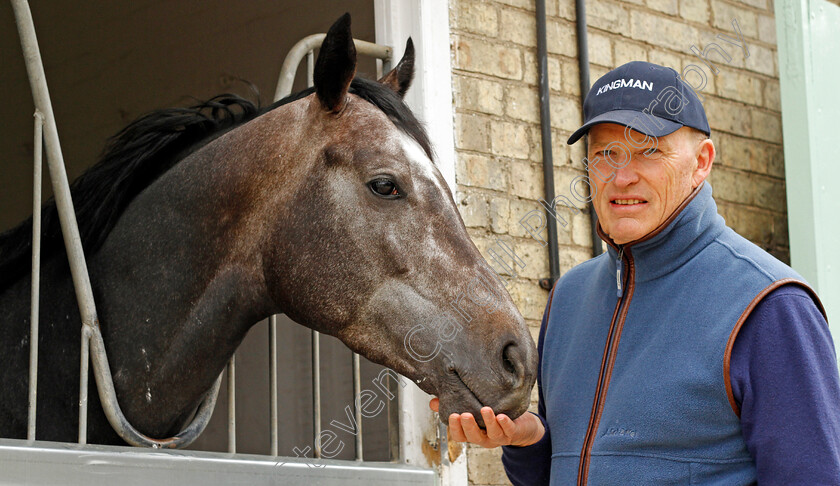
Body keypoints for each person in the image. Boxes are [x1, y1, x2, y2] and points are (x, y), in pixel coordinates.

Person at [429, 61, 840, 485]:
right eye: (606, 154)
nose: (622, 177)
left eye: (649, 151)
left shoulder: (771, 306)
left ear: (701, 162)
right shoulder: (569, 297)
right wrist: (527, 441)